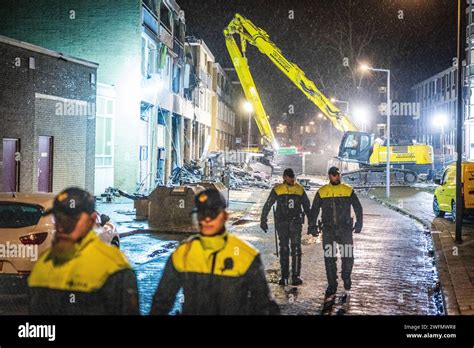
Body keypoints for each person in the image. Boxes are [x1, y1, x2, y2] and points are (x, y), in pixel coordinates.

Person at [151, 188, 279, 315]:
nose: (206, 220)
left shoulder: (246, 255)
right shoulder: (183, 253)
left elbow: (263, 305)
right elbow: (162, 300)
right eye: (202, 214)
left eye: (212, 214)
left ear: (225, 216)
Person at [28, 187, 139, 315]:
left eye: (70, 220)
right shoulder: (43, 263)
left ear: (91, 221)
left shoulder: (115, 267)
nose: (61, 226)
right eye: (58, 218)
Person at [308, 167, 363, 306]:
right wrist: (312, 226)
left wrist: (359, 224)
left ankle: (346, 276)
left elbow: (358, 208)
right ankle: (332, 284)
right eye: (333, 175)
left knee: (348, 256)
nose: (336, 177)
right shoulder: (322, 192)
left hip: (345, 230)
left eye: (337, 175)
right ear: (329, 176)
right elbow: (314, 211)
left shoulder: (348, 190)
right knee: (329, 258)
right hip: (328, 231)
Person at [260, 168, 311, 286]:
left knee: (296, 249)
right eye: (290, 177)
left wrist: (312, 224)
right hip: (282, 223)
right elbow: (268, 204)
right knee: (284, 248)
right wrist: (263, 220)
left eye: (293, 177)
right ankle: (284, 276)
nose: (292, 179)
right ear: (284, 177)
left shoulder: (299, 189)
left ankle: (296, 276)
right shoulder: (278, 189)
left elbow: (307, 207)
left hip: (296, 223)